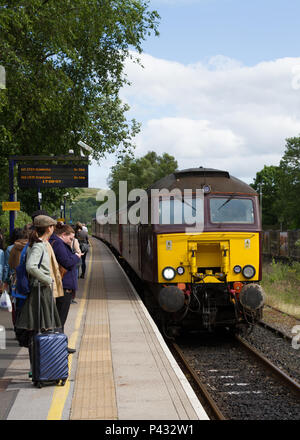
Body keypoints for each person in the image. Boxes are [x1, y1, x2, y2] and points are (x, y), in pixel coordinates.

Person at [15, 215, 63, 373]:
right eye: (53, 226)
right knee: (40, 329)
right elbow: (31, 266)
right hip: (40, 292)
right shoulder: (39, 245)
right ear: (49, 228)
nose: (54, 229)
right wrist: (47, 279)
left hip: (38, 291)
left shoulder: (33, 243)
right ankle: (39, 367)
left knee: (36, 330)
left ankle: (37, 366)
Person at [49, 223, 81, 353]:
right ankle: (60, 347)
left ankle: (59, 345)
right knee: (60, 319)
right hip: (64, 285)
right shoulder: (58, 244)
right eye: (71, 238)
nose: (71, 241)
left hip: (62, 284)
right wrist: (77, 255)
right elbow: (67, 262)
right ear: (63, 235)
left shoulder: (57, 243)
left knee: (59, 318)